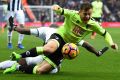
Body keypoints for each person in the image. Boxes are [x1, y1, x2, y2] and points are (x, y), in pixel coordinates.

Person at [4, 3, 118, 74]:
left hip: (67, 47)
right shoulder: (73, 14)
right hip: (59, 37)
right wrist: (56, 8)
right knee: (49, 48)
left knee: (40, 71)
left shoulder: (93, 24)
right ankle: (20, 55)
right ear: (80, 12)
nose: (87, 17)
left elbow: (105, 34)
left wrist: (111, 43)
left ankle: (18, 67)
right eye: (85, 14)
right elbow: (61, 10)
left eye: (89, 14)